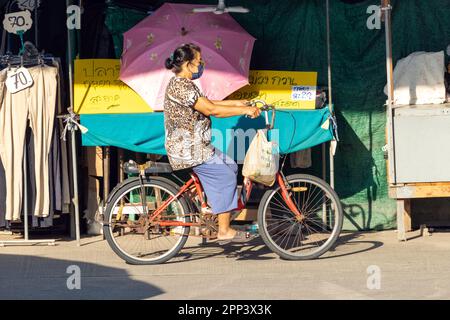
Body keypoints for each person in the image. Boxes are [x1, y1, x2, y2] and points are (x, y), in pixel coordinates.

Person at [163, 43, 261, 243]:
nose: (201, 65)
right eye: (199, 62)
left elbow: (210, 103)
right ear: (189, 65)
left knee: (231, 166)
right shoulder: (181, 86)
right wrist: (244, 111)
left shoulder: (186, 85)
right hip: (188, 148)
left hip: (197, 145)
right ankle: (224, 230)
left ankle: (215, 205)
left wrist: (238, 103)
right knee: (225, 176)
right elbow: (211, 110)